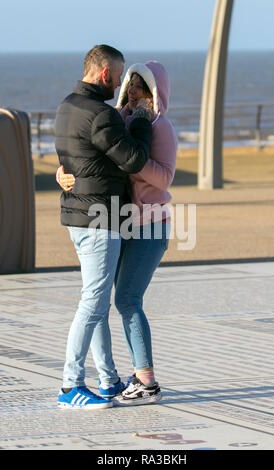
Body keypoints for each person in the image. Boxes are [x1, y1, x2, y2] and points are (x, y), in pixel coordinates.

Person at [57, 60, 177, 406]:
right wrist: (62, 173)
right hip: (117, 222)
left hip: (150, 224)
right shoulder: (119, 119)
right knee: (100, 301)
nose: (135, 91)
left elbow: (165, 178)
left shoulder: (160, 127)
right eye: (132, 83)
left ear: (157, 92)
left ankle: (146, 380)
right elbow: (92, 156)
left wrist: (134, 166)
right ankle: (109, 378)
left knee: (126, 300)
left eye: (143, 86)